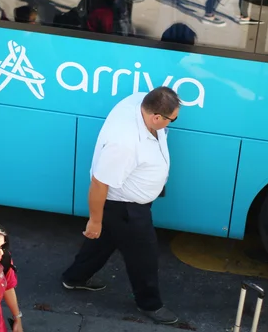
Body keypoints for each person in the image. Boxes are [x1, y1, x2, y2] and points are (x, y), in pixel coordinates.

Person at [61, 87, 181, 325]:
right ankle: (150, 304)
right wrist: (95, 220)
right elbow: (99, 182)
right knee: (144, 257)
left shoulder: (139, 101)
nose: (173, 123)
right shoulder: (125, 142)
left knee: (102, 242)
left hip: (124, 206)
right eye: (172, 119)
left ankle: (74, 278)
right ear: (156, 117)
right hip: (126, 208)